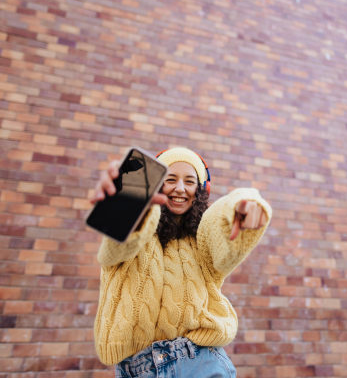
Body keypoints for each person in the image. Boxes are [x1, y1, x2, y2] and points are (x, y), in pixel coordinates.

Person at [89, 147, 272, 378]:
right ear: (155, 185)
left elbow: (217, 222)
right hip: (137, 370)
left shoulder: (201, 240)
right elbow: (117, 245)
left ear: (201, 190)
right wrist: (127, 202)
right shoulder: (136, 235)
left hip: (200, 364)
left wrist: (239, 208)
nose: (180, 188)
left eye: (189, 181)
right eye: (170, 179)